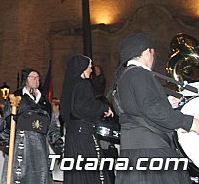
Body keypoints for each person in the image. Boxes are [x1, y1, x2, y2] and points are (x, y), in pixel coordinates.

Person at [113, 33, 199, 184]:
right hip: (152, 148)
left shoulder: (124, 76)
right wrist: (190, 122)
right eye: (153, 52)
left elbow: (138, 107)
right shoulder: (140, 74)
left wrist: (166, 102)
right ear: (147, 52)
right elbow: (152, 109)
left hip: (134, 147)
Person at [0, 69, 63, 184]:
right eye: (32, 77)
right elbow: (5, 122)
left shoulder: (44, 102)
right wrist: (6, 142)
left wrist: (58, 145)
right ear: (26, 80)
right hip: (22, 144)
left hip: (40, 146)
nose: (36, 79)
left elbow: (52, 126)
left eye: (38, 77)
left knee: (40, 176)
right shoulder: (16, 98)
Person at [61, 55, 113, 184]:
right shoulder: (83, 84)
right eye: (90, 66)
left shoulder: (69, 85)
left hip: (72, 135)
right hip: (84, 135)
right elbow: (83, 107)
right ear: (82, 68)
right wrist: (104, 108)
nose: (91, 69)